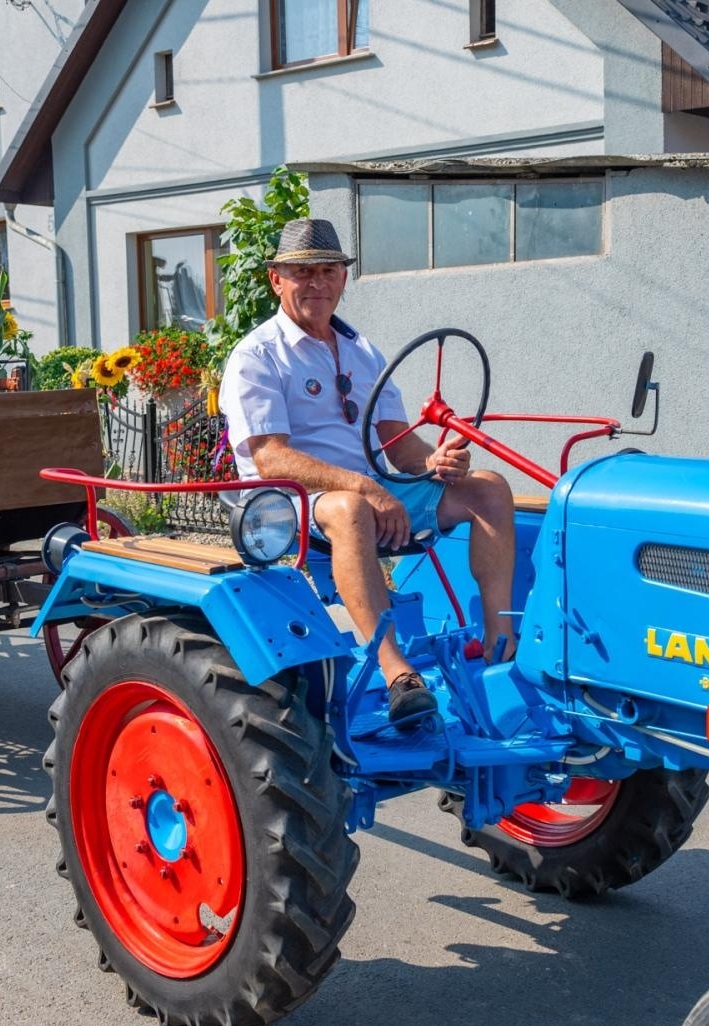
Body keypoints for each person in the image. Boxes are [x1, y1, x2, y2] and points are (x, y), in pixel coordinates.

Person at [220, 218, 517, 727]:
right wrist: (363, 486)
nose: (316, 282)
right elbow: (270, 457)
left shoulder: (361, 351)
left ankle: (500, 645)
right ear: (277, 280)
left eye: (328, 270)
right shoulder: (257, 355)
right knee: (351, 506)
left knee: (488, 489)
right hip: (286, 503)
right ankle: (396, 671)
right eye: (302, 272)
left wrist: (433, 462)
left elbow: (398, 444)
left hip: (366, 491)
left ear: (342, 279)